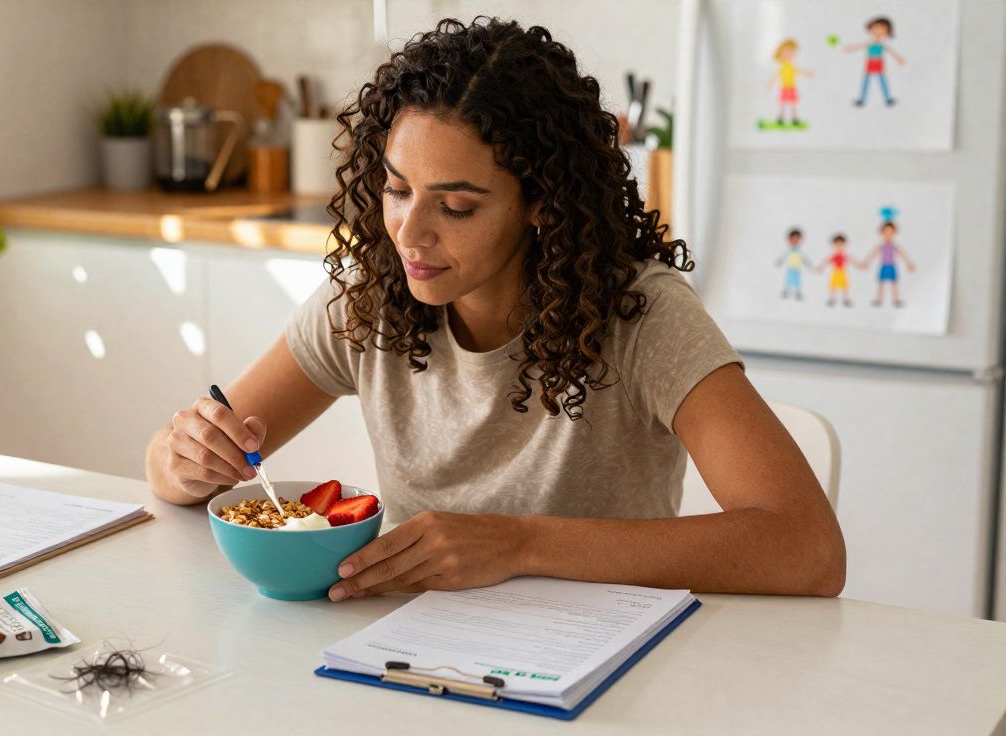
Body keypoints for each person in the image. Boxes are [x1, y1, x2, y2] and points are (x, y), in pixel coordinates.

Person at [146, 17, 845, 600]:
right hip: (412, 650)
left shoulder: (641, 316)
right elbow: (173, 470)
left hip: (598, 662)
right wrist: (184, 458)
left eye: (454, 206)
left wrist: (518, 544)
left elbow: (807, 549)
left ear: (541, 202)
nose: (410, 234)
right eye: (396, 190)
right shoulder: (370, 299)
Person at [845, 16, 905, 107]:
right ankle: (862, 99)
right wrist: (850, 48)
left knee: (882, 81)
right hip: (870, 64)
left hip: (878, 64)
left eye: (883, 30)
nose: (878, 32)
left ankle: (888, 99)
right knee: (866, 81)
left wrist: (899, 58)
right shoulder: (869, 43)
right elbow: (859, 46)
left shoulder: (882, 44)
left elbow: (891, 51)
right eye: (876, 28)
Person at [860, 219, 916, 307]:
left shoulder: (894, 245)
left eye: (891, 232)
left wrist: (908, 263)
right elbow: (873, 254)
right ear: (882, 232)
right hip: (883, 265)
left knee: (894, 283)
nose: (888, 234)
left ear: (894, 233)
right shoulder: (881, 245)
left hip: (892, 266)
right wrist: (867, 262)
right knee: (881, 283)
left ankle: (895, 300)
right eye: (886, 232)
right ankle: (879, 299)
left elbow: (902, 254)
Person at [817, 234, 854, 307]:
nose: (839, 246)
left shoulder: (844, 255)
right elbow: (827, 261)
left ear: (844, 245)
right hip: (836, 271)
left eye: (841, 244)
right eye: (837, 244)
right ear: (834, 245)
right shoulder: (834, 255)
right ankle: (832, 299)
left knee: (845, 286)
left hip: (842, 271)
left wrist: (860, 265)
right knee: (833, 286)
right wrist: (821, 267)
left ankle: (845, 299)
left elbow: (852, 260)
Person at [775, 228, 811, 300]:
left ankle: (798, 292)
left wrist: (807, 262)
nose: (795, 241)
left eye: (797, 239)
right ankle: (786, 291)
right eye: (793, 239)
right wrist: (780, 261)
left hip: (797, 268)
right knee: (788, 280)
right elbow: (784, 255)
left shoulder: (799, 251)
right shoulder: (788, 250)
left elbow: (803, 257)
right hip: (790, 267)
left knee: (797, 281)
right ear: (789, 240)